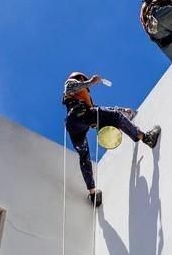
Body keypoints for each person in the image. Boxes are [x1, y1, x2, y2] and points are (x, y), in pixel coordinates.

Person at [62, 72, 161, 206]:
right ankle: (145, 137)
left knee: (84, 156)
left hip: (75, 125)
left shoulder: (84, 100)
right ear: (80, 78)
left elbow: (100, 110)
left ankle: (92, 193)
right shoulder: (71, 84)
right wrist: (91, 81)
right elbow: (71, 88)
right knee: (115, 117)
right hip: (80, 115)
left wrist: (124, 111)